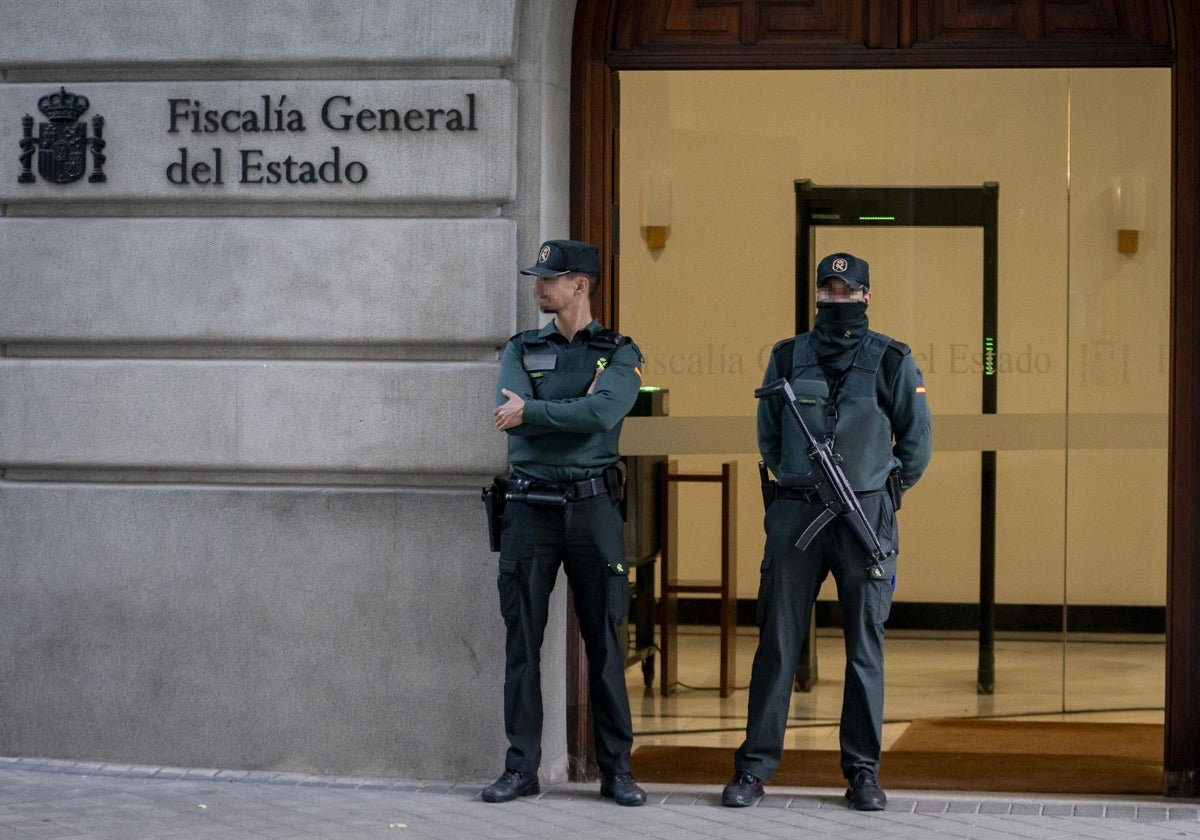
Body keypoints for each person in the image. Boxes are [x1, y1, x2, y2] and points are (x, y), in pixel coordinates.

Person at [722, 252, 932, 811]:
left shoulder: (891, 360)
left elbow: (915, 445)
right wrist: (795, 481)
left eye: (847, 291)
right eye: (828, 290)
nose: (836, 300)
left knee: (865, 647)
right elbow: (768, 435)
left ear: (866, 296)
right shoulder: (789, 356)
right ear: (817, 295)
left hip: (864, 517)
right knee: (778, 643)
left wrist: (883, 496)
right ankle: (753, 769)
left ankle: (863, 772)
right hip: (798, 514)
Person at [483, 239, 648, 807]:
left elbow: (603, 414)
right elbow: (514, 421)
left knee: (605, 641)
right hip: (529, 508)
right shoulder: (521, 348)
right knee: (522, 643)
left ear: (580, 285)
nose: (539, 286)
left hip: (593, 510)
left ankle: (616, 771)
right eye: (538, 277)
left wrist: (534, 410)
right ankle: (521, 768)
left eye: (550, 278)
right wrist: (553, 416)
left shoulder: (620, 352)